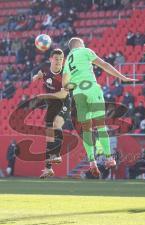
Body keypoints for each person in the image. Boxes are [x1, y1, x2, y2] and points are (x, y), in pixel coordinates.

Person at [62, 37, 137, 177]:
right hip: (91, 88)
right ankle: (109, 158)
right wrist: (122, 77)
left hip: (78, 94)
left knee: (86, 129)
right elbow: (104, 65)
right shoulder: (85, 51)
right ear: (80, 44)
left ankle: (92, 161)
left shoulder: (67, 61)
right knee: (101, 126)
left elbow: (65, 84)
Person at [32, 49, 71, 179]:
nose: (59, 61)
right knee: (49, 138)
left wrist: (44, 95)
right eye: (56, 59)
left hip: (64, 103)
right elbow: (35, 78)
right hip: (52, 105)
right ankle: (48, 169)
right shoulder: (44, 69)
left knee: (56, 123)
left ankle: (57, 154)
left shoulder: (65, 73)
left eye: (61, 59)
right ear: (51, 59)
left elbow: (63, 94)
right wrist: (36, 77)